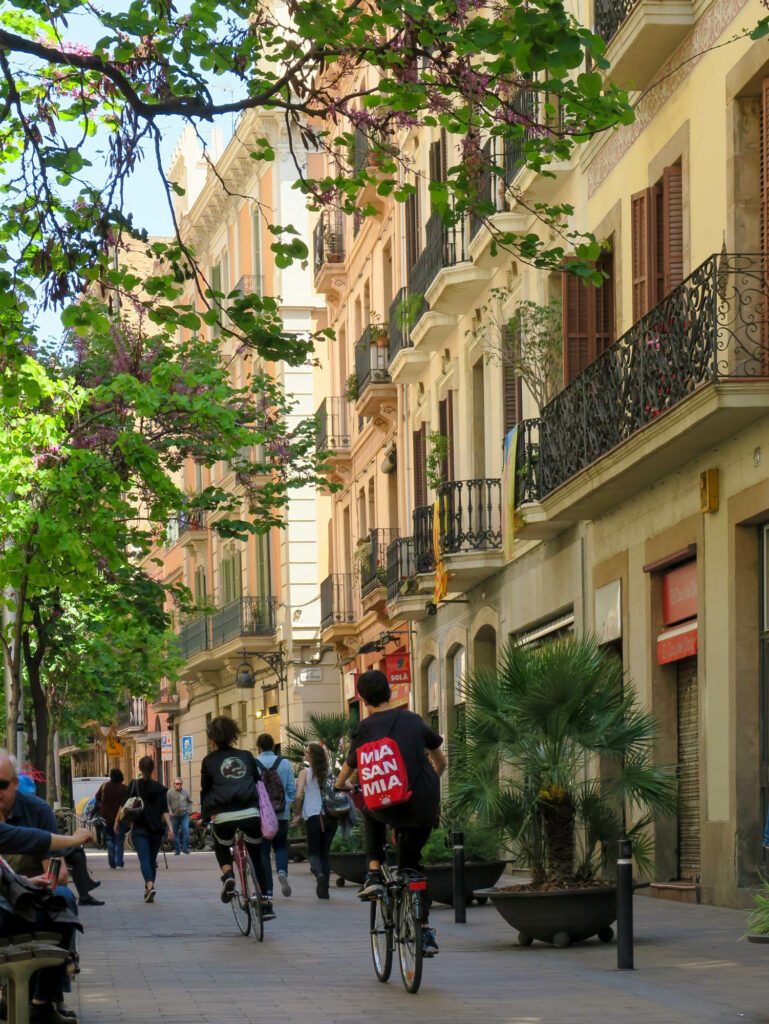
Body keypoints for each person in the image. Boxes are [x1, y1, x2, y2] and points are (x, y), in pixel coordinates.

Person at [335, 669, 446, 956]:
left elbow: (343, 776)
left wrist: (347, 786)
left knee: (369, 807)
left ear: (362, 698)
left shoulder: (364, 728)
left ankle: (373, 873)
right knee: (413, 865)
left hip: (387, 807)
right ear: (388, 692)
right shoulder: (413, 720)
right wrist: (430, 781)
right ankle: (423, 931)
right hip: (422, 803)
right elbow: (441, 761)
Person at [200, 716, 275, 921]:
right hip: (250, 813)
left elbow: (205, 792)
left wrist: (206, 816)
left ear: (212, 739)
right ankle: (266, 903)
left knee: (220, 844)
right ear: (234, 735)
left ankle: (228, 875)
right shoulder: (247, 756)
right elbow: (257, 782)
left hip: (224, 816)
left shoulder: (208, 762)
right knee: (257, 854)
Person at [120, 756, 172, 903]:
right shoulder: (160, 789)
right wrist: (170, 828)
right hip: (157, 830)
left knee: (144, 859)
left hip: (140, 828)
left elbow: (124, 806)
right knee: (151, 860)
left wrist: (117, 823)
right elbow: (164, 810)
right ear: (153, 768)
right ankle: (148, 889)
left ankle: (149, 885)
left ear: (139, 768)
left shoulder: (134, 785)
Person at [292, 743, 337, 900]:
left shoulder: (305, 773)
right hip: (331, 818)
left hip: (313, 816)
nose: (304, 755)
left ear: (311, 756)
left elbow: (298, 796)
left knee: (313, 853)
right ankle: (324, 891)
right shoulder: (330, 773)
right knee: (324, 853)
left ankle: (318, 874)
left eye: (306, 752)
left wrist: (296, 814)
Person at [255, 733, 295, 900]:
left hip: (263, 816)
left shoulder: (254, 764)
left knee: (263, 851)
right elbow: (291, 790)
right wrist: (287, 804)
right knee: (281, 846)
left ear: (258, 747)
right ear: (273, 746)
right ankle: (282, 871)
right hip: (281, 814)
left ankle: (268, 891)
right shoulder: (284, 763)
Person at [95, 769, 128, 870]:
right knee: (119, 840)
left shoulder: (105, 786)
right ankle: (118, 863)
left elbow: (97, 797)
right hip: (120, 817)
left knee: (109, 840)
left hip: (106, 817)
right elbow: (126, 803)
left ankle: (112, 862)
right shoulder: (124, 788)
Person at [167, 778, 193, 856]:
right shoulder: (169, 792)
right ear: (174, 784)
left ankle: (185, 849)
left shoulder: (185, 792)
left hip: (184, 815)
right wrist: (170, 812)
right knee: (175, 833)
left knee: (186, 831)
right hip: (174, 816)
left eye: (180, 784)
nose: (179, 785)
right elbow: (167, 803)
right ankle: (177, 850)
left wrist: (189, 810)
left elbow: (190, 802)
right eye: (177, 784)